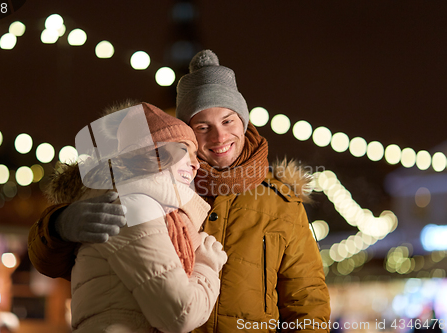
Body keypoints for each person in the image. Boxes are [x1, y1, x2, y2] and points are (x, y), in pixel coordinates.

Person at [28, 50, 331, 332]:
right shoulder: (158, 185)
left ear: (244, 121)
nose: (219, 136)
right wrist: (59, 225)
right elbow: (59, 265)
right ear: (186, 132)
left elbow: (307, 299)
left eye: (228, 120)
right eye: (202, 126)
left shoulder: (281, 201)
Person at [42, 102, 227, 332]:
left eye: (195, 153)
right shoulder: (133, 205)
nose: (196, 164)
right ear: (153, 153)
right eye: (183, 150)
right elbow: (179, 315)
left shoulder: (148, 204)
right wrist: (206, 264)